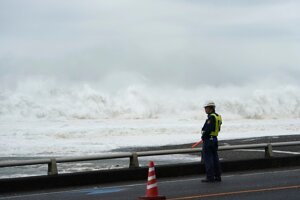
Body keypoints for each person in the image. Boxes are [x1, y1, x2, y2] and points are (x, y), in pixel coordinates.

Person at [201, 100, 222, 182]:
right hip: (214, 139)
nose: (205, 110)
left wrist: (203, 136)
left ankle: (210, 177)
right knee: (215, 158)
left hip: (208, 140)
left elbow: (208, 129)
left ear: (210, 108)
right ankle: (217, 176)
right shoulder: (218, 116)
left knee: (208, 159)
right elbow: (218, 128)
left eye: (206, 108)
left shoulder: (211, 117)